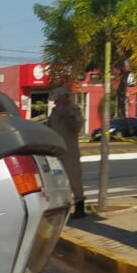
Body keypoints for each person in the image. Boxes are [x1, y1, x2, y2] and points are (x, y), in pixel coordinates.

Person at [49, 86, 85, 219]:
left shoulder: (73, 110)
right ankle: (61, 208)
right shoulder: (54, 112)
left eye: (58, 99)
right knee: (58, 181)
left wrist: (65, 115)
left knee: (75, 180)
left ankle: (80, 207)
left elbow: (76, 128)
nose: (56, 102)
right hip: (56, 152)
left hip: (70, 152)